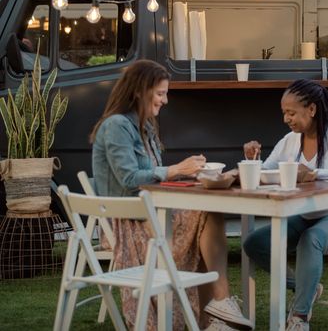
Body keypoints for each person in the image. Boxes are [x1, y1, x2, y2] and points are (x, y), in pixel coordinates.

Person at [91, 60, 247, 331]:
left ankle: (214, 316)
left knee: (206, 214)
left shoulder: (146, 126)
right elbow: (129, 179)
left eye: (166, 93)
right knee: (205, 216)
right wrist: (176, 169)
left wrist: (191, 175)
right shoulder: (116, 125)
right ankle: (216, 310)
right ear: (140, 90)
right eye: (161, 93)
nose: (165, 100)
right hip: (129, 223)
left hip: (152, 213)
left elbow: (152, 176)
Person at [241, 79, 328, 331]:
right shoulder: (291, 140)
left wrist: (316, 174)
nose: (286, 119)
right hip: (308, 214)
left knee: (310, 239)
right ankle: (305, 287)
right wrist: (251, 160)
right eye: (284, 113)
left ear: (311, 109)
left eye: (291, 113)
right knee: (255, 243)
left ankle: (299, 316)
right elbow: (266, 172)